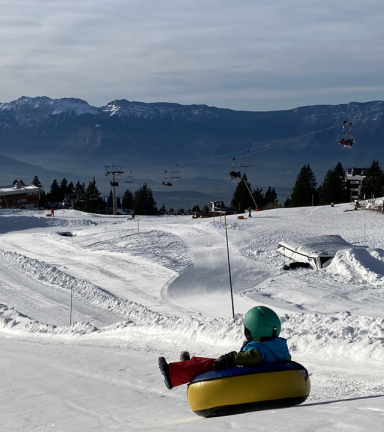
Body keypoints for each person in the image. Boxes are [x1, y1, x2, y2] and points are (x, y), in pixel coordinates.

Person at [158, 306, 291, 389]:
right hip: (257, 375)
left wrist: (231, 358)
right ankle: (186, 365)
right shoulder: (277, 346)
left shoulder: (259, 348)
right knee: (212, 362)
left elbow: (252, 357)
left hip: (247, 378)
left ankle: (172, 374)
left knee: (209, 365)